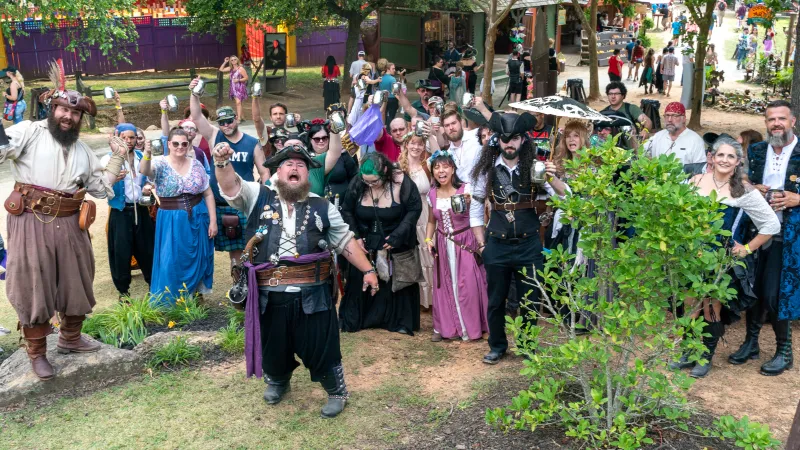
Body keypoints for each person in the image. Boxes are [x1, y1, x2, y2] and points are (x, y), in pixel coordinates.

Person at [212, 139, 379, 419]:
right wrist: (221, 162)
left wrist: (369, 270)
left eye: (300, 165)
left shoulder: (323, 207)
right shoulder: (258, 196)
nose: (294, 168)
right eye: (288, 163)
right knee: (274, 344)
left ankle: (336, 391)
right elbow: (230, 187)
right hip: (269, 294)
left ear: (307, 174)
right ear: (278, 171)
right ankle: (278, 379)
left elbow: (346, 242)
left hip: (313, 294)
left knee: (321, 346)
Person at [1, 82, 127, 380]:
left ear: (81, 118)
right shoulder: (30, 132)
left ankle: (70, 337)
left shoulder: (83, 151)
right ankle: (37, 352)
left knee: (78, 277)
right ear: (51, 109)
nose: (68, 116)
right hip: (32, 219)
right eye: (62, 109)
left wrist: (119, 156)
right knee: (33, 281)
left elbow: (99, 187)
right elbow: (3, 149)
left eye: (74, 112)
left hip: (71, 222)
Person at [672, 137, 780, 378]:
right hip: (691, 256)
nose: (724, 160)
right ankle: (688, 352)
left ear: (738, 162)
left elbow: (771, 224)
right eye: (720, 155)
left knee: (711, 308)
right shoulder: (695, 182)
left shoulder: (743, 190)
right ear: (711, 157)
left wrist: (747, 248)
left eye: (731, 156)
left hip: (719, 260)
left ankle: (704, 357)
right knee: (690, 306)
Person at [469, 112, 568, 364]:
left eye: (513, 138)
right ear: (498, 141)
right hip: (497, 245)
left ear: (523, 140)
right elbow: (476, 208)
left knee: (530, 299)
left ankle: (526, 345)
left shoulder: (536, 169)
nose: (509, 143)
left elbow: (567, 199)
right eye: (504, 139)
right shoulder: (487, 171)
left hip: (529, 245)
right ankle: (497, 346)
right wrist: (482, 245)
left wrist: (552, 176)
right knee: (495, 301)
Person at [730, 100, 799, 376]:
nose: (776, 124)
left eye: (781, 119)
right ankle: (751, 343)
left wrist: (797, 198)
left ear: (793, 121)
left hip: (790, 234)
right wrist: (752, 187)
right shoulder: (757, 150)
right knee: (753, 287)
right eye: (771, 119)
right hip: (757, 230)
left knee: (774, 292)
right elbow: (742, 180)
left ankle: (785, 351)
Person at [189, 77, 269, 281]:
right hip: (220, 202)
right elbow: (197, 117)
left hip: (244, 202)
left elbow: (264, 171)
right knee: (233, 250)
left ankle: (249, 281)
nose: (226, 125)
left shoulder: (252, 143)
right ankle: (238, 283)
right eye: (222, 122)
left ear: (237, 119)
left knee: (249, 246)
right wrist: (194, 94)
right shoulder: (215, 135)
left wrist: (265, 194)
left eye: (229, 120)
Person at [339, 152, 423, 335]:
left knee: (398, 282)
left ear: (385, 171)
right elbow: (347, 210)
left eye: (374, 181)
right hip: (366, 239)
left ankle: (400, 321)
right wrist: (356, 235)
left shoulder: (402, 181)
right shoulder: (358, 182)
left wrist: (399, 235)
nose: (370, 185)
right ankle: (363, 318)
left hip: (396, 240)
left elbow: (414, 209)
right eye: (366, 182)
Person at [139, 128, 216, 301]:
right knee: (171, 259)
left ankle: (195, 296)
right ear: (168, 144)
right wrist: (147, 153)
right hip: (170, 218)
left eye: (184, 143)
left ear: (188, 145)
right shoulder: (159, 163)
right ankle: (171, 299)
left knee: (198, 255)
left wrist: (213, 221)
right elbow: (144, 171)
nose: (180, 147)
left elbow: (208, 193)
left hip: (198, 215)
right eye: (175, 143)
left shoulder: (196, 164)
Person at [425, 150, 489, 341]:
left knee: (469, 285)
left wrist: (472, 203)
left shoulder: (466, 189)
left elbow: (482, 216)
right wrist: (429, 240)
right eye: (436, 167)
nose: (441, 171)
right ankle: (449, 327)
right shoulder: (432, 195)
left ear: (452, 169)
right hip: (444, 245)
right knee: (445, 285)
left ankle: (476, 327)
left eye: (445, 166)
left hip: (465, 243)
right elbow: (431, 221)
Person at [101, 123, 155, 300]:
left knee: (147, 250)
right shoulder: (107, 159)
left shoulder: (141, 156)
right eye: (124, 137)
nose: (128, 141)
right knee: (120, 253)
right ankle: (123, 293)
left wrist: (148, 186)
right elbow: (100, 187)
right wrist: (114, 177)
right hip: (120, 212)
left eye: (132, 137)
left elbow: (150, 179)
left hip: (141, 209)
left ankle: (153, 288)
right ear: (117, 138)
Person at [399, 127, 438, 311]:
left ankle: (433, 299)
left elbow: (439, 153)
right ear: (406, 145)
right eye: (412, 143)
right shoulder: (398, 168)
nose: (416, 147)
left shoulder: (427, 165)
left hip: (425, 214)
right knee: (413, 256)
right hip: (406, 215)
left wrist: (430, 135)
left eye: (419, 144)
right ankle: (418, 299)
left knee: (429, 255)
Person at [645, 102, 707, 173]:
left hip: (684, 182)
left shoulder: (695, 140)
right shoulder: (658, 136)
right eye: (667, 115)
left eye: (674, 116)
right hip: (657, 182)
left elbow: (700, 168)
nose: (669, 120)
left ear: (683, 118)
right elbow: (641, 153)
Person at [220, 56, 249, 123]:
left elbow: (246, 77)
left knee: (238, 102)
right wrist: (225, 62)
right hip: (233, 88)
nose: (233, 61)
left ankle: (239, 118)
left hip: (240, 87)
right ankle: (242, 117)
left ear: (237, 60)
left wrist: (238, 80)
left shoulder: (241, 68)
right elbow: (221, 69)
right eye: (232, 60)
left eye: (235, 59)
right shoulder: (230, 68)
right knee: (239, 103)